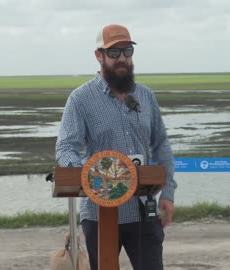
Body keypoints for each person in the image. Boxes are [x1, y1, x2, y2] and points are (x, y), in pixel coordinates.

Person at [55, 24, 177, 270]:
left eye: (127, 51)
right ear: (99, 55)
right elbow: (65, 147)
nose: (122, 58)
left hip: (144, 209)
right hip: (99, 213)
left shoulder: (145, 96)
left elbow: (161, 145)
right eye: (114, 53)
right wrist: (89, 174)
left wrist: (168, 193)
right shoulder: (80, 100)